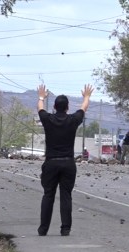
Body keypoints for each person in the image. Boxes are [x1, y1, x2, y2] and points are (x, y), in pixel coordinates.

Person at [36, 83, 93, 236]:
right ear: (67, 107)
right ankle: (65, 229)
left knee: (48, 194)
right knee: (66, 195)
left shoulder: (48, 119)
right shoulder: (73, 120)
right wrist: (86, 96)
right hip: (68, 163)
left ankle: (43, 229)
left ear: (54, 107)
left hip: (51, 163)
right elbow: (83, 108)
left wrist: (41, 96)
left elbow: (40, 108)